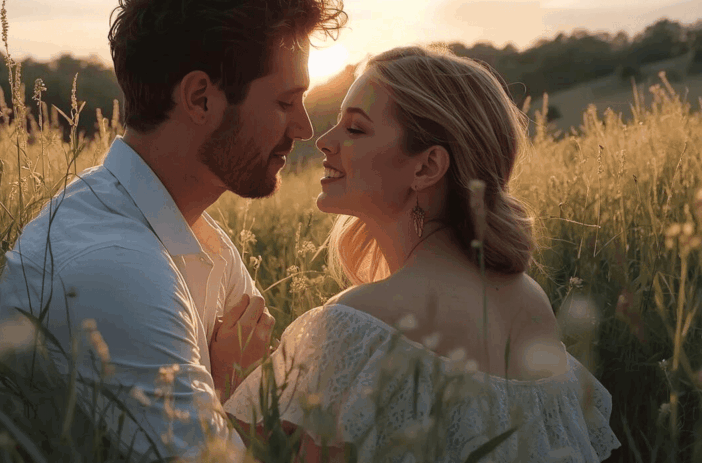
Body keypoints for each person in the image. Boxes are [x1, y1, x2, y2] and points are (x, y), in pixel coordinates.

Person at [0, 0, 347, 461]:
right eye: (286, 101)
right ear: (200, 98)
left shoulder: (199, 237)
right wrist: (236, 388)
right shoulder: (118, 267)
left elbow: (283, 435)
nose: (304, 128)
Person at [224, 46, 622, 462]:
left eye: (355, 129)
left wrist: (228, 381)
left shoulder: (354, 325)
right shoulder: (529, 300)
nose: (324, 141)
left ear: (426, 167)